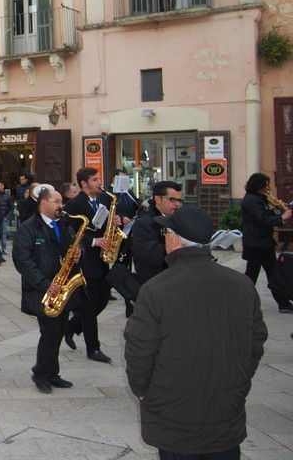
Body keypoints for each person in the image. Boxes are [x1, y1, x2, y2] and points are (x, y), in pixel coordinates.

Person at [124, 206, 267, 459]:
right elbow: (256, 343)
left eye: (166, 231)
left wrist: (143, 391)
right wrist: (238, 382)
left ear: (175, 239)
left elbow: (139, 351)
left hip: (174, 414)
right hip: (226, 410)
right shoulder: (242, 285)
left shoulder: (155, 289)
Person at [12, 186, 78, 393]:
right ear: (43, 203)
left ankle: (52, 372)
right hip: (43, 289)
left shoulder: (65, 225)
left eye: (61, 202)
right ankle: (41, 373)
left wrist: (80, 253)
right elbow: (22, 260)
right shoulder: (28, 227)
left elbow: (77, 244)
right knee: (50, 331)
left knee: (58, 330)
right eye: (56, 202)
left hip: (63, 287)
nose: (61, 205)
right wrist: (45, 284)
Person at [63, 168, 114, 363]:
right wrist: (94, 242)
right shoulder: (75, 204)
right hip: (86, 259)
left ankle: (72, 327)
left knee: (102, 299)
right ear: (84, 183)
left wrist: (114, 221)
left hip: (101, 259)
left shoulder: (101, 200)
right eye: (95, 179)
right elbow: (70, 230)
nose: (99, 182)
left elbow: (103, 224)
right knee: (90, 304)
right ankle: (93, 348)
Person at [240, 173, 293, 313]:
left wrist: (279, 209)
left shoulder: (259, 198)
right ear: (257, 185)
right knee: (251, 275)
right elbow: (261, 220)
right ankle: (241, 301)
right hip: (256, 244)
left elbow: (267, 214)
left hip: (264, 243)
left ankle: (283, 303)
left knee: (274, 274)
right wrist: (282, 217)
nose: (267, 188)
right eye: (265, 185)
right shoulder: (251, 200)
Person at [128, 181, 183, 287]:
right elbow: (149, 255)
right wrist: (177, 247)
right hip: (154, 284)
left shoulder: (176, 218)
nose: (177, 204)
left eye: (179, 200)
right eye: (173, 199)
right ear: (158, 199)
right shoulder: (144, 223)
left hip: (174, 280)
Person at [0, 181, 13, 254]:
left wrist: (7, 217)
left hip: (4, 217)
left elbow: (11, 207)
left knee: (3, 233)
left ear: (2, 186)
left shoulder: (7, 196)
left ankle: (4, 248)